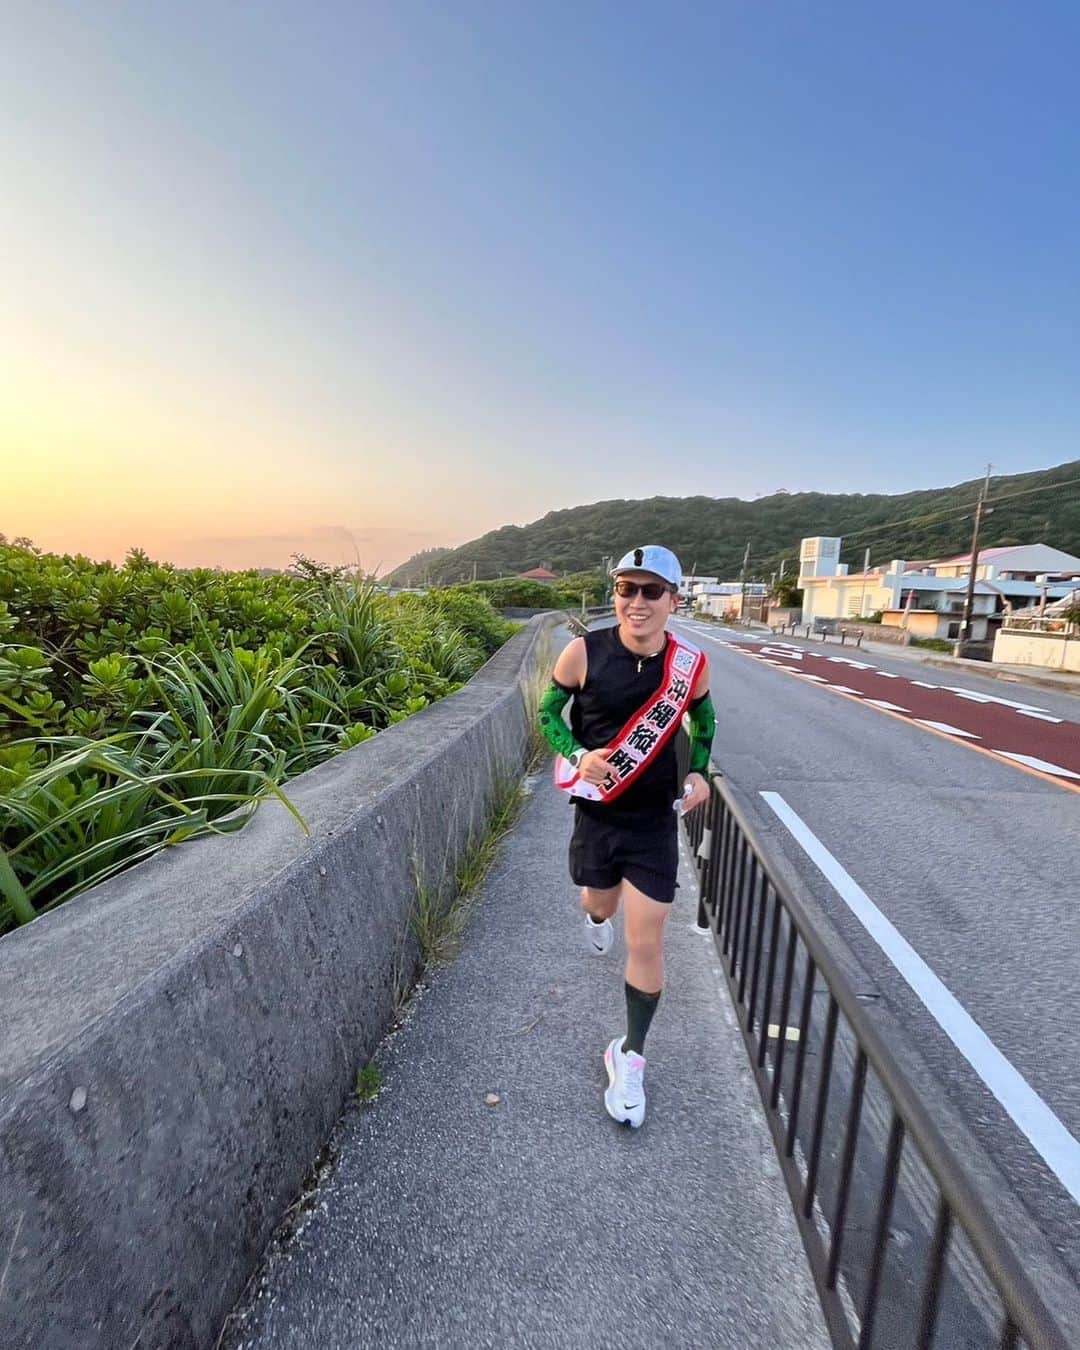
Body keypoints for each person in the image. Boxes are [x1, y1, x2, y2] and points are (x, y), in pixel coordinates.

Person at [537, 545, 715, 1127]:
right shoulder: (582, 652)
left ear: (673, 600)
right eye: (625, 589)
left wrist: (698, 771)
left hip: (653, 821)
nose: (635, 602)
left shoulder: (690, 664)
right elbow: (547, 715)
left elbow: (705, 719)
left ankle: (630, 1054)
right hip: (597, 813)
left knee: (648, 939)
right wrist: (577, 753)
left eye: (650, 591)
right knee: (598, 901)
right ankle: (593, 917)